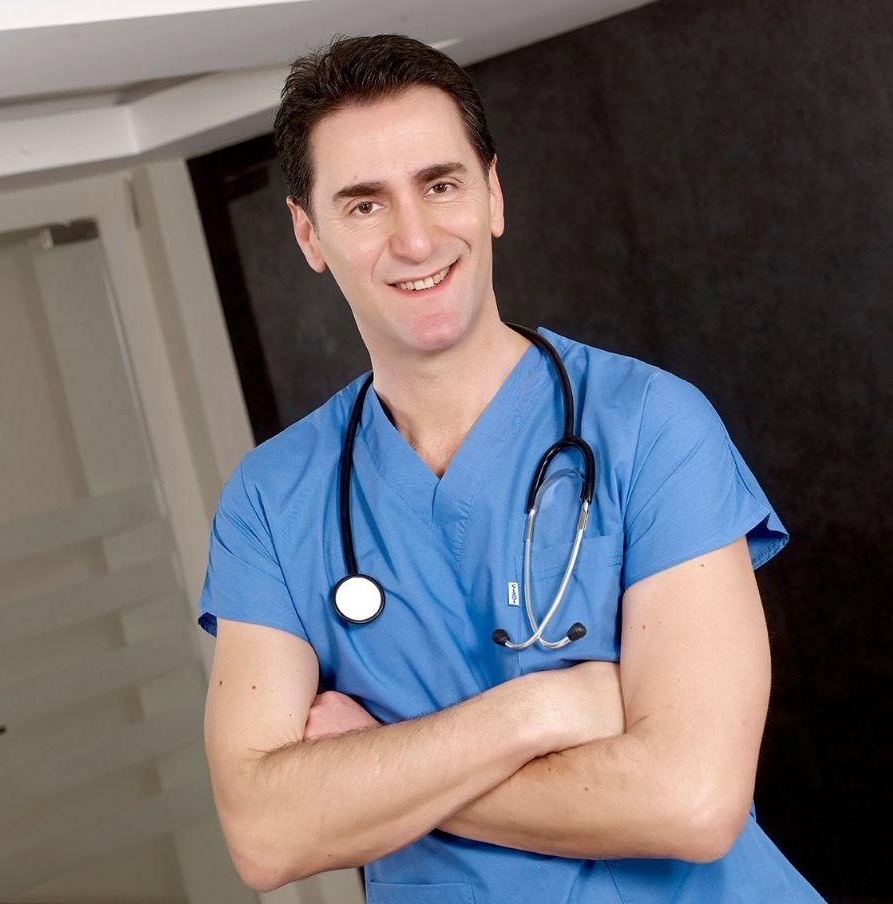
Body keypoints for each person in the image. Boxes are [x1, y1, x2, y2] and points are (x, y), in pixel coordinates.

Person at [199, 33, 825, 903]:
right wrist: (543, 711)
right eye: (365, 204)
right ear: (309, 233)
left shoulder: (650, 424)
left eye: (440, 185)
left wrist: (374, 770)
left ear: (492, 194)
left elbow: (692, 801)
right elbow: (266, 836)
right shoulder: (271, 501)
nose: (416, 238)